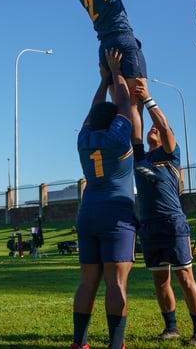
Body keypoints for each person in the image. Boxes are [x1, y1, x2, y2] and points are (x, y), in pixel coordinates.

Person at [70, 0, 171, 167]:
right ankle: (139, 157)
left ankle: (127, 157)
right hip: (124, 42)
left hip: (105, 48)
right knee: (135, 100)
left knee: (122, 105)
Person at [71, 49, 138, 349]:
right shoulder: (118, 139)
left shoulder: (83, 140)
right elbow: (124, 105)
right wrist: (117, 72)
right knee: (116, 282)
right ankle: (115, 345)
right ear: (114, 122)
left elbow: (92, 112)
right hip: (116, 215)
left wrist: (103, 80)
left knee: (88, 281)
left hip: (88, 213)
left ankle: (79, 343)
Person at [132, 86, 196, 346]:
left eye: (159, 129)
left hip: (172, 223)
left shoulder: (170, 154)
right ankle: (171, 328)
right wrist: (134, 104)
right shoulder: (141, 159)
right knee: (160, 282)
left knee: (185, 278)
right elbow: (135, 132)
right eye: (150, 128)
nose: (153, 129)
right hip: (149, 227)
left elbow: (163, 126)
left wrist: (147, 100)